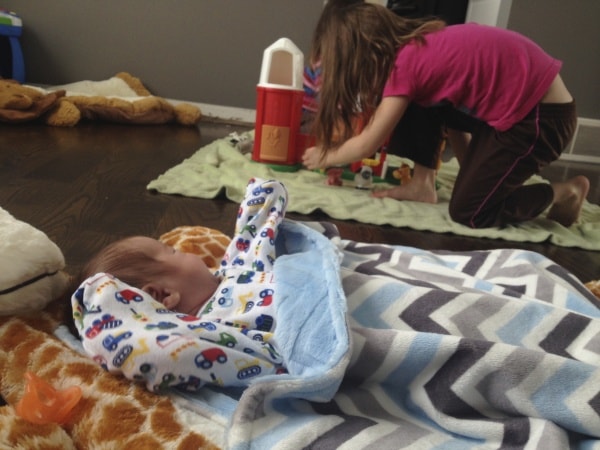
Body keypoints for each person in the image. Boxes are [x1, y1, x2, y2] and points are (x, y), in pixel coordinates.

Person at [302, 1, 590, 229]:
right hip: (519, 109)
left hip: (541, 120)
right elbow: (451, 107)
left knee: (471, 212)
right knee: (417, 102)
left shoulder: (406, 66)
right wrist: (470, 170)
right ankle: (422, 184)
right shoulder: (420, 48)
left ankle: (566, 191)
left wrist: (325, 155)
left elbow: (368, 143)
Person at [73, 177, 288, 390]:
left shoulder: (232, 270)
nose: (183, 249)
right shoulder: (212, 332)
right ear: (164, 295)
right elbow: (153, 353)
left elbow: (253, 240)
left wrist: (262, 194)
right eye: (173, 251)